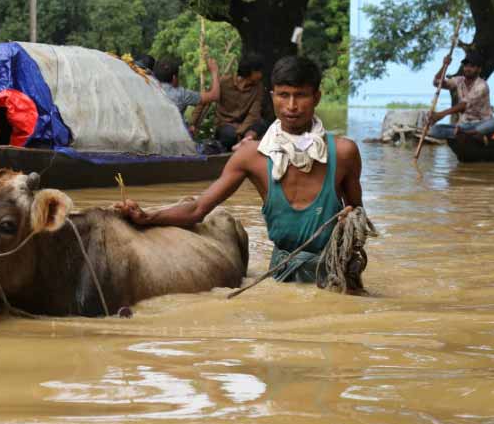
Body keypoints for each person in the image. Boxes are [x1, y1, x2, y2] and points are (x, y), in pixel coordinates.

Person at [117, 56, 363, 284]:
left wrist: (350, 219)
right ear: (272, 96)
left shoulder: (343, 153)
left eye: (300, 95)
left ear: (317, 98)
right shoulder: (251, 156)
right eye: (283, 95)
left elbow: (359, 217)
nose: (291, 105)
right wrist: (148, 216)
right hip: (281, 275)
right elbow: (198, 209)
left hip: (335, 276)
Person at [426, 52, 494, 139]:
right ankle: (466, 134)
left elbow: (464, 105)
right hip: (463, 126)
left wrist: (441, 114)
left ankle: (471, 133)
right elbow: (436, 83)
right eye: (466, 66)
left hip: (481, 124)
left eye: (472, 66)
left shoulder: (482, 85)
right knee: (434, 130)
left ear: (479, 69)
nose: (467, 69)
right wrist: (444, 66)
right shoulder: (459, 80)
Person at [191, 54, 265, 151]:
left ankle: (244, 142)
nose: (261, 75)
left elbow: (253, 114)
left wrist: (240, 132)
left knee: (261, 124)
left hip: (244, 127)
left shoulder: (258, 88)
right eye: (259, 71)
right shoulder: (224, 82)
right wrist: (193, 123)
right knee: (229, 135)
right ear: (251, 71)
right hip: (225, 126)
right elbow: (205, 102)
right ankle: (242, 142)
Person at [153, 57, 220, 121]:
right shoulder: (181, 95)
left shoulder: (149, 87)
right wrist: (214, 71)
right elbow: (215, 95)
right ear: (174, 78)